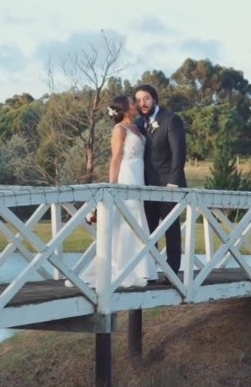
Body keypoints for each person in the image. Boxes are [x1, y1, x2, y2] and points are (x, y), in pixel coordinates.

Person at [79, 95, 157, 287]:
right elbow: (115, 159)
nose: (136, 105)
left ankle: (139, 268)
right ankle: (120, 268)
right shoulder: (119, 129)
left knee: (137, 217)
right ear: (123, 109)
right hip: (127, 175)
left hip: (139, 175)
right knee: (129, 217)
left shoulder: (137, 127)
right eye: (132, 103)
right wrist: (112, 185)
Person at [134, 83, 187, 277]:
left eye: (146, 98)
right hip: (145, 186)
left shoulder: (171, 120)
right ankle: (151, 270)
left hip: (168, 185)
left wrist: (173, 182)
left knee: (171, 229)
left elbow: (179, 153)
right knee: (149, 230)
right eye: (139, 100)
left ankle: (172, 271)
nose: (143, 103)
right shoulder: (138, 124)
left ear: (154, 99)